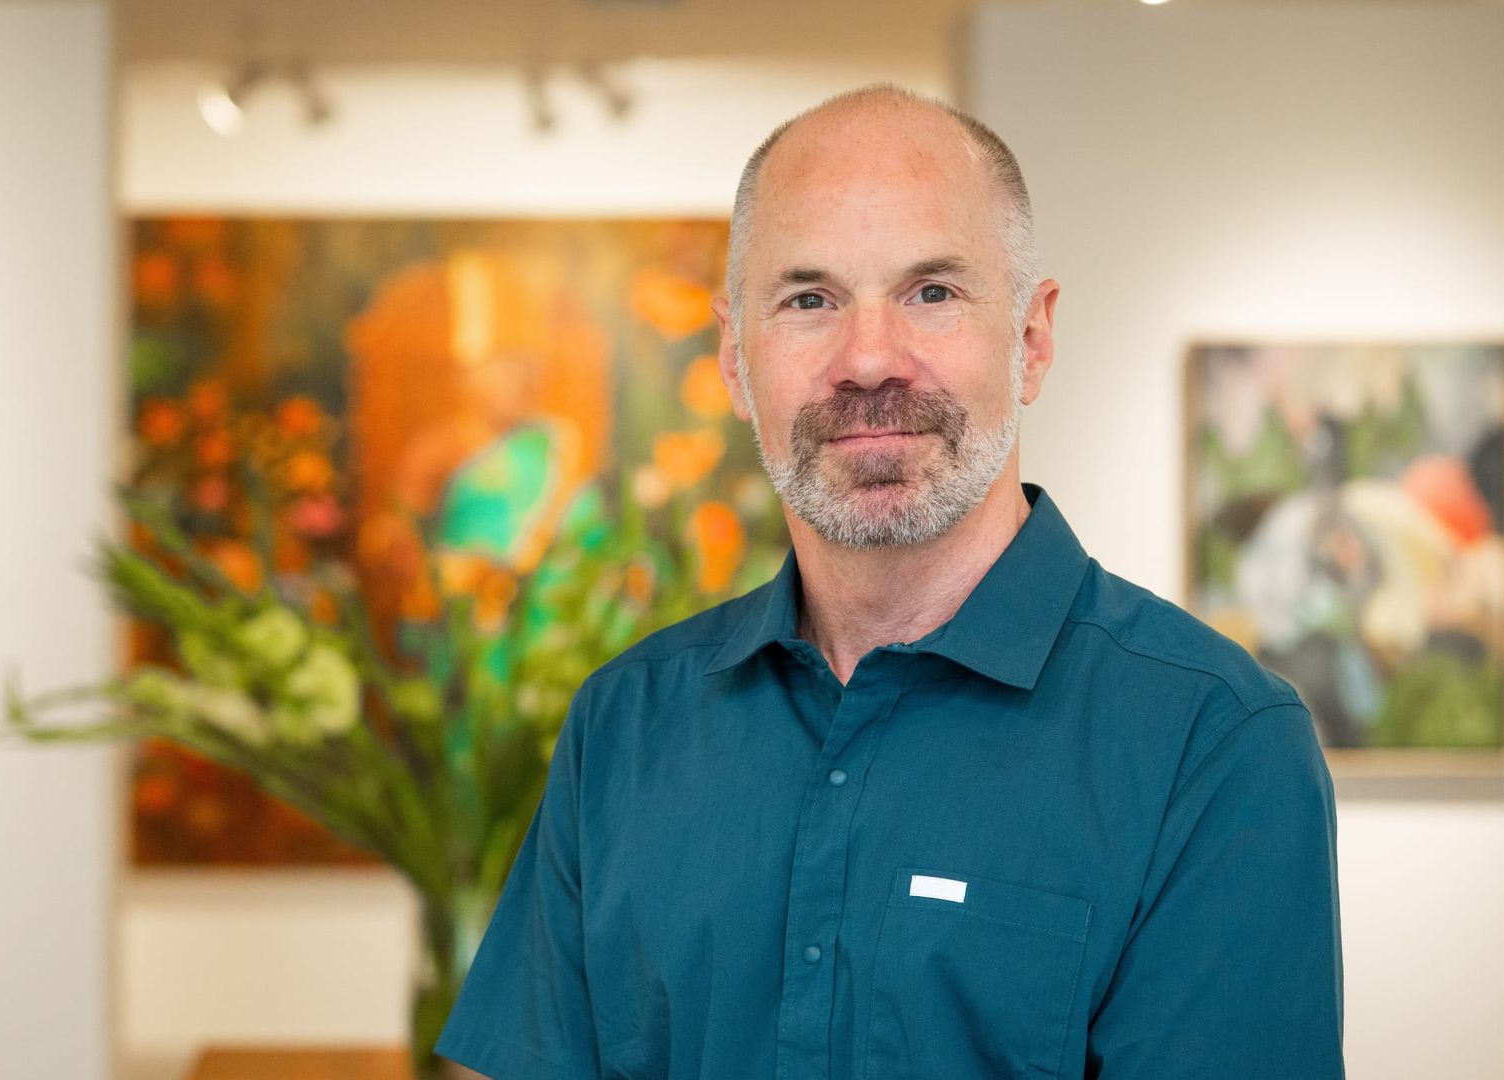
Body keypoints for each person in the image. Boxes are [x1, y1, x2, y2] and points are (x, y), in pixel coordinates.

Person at [435, 84, 1345, 1079]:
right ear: (736, 358)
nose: (869, 359)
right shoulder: (625, 726)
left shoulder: (1211, 744)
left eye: (933, 292)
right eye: (810, 299)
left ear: (1032, 341)